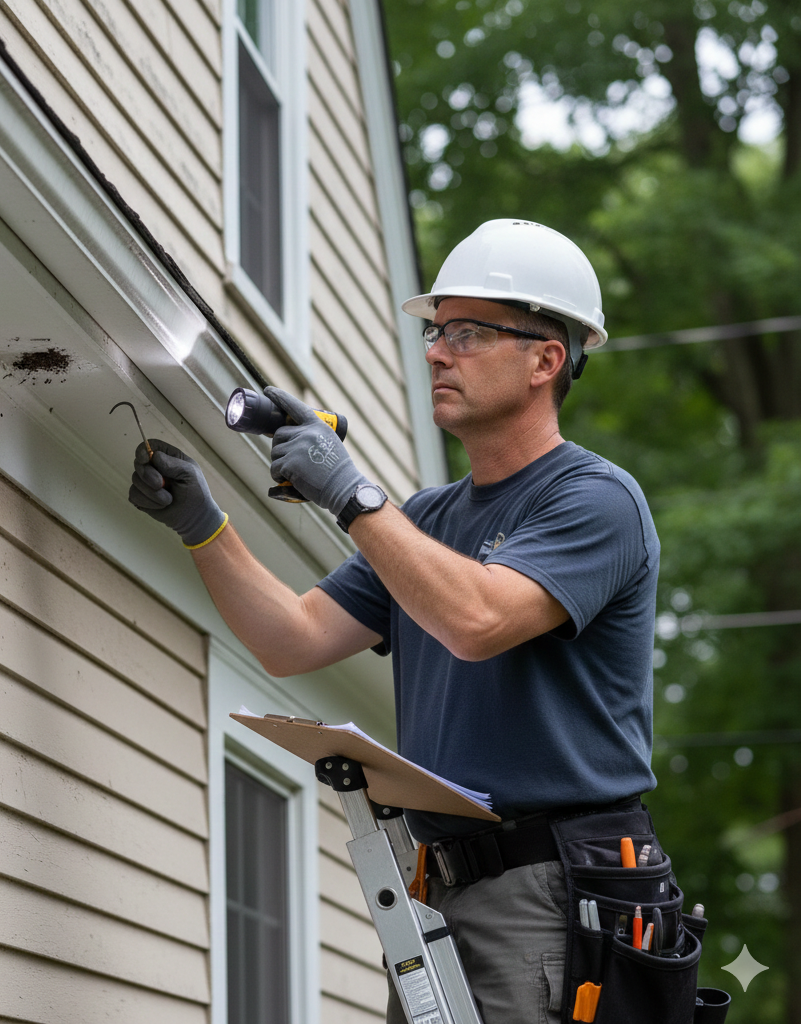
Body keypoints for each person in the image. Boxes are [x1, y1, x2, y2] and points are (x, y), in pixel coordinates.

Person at [129, 220, 662, 1023]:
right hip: (433, 891)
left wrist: (352, 493)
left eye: (471, 333)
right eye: (436, 330)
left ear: (547, 360)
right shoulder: (430, 519)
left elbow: (478, 619)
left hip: (547, 890)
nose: (438, 352)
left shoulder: (595, 500)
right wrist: (206, 527)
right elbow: (294, 638)